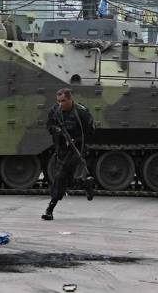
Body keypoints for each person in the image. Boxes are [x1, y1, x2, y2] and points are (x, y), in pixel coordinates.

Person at [42, 88, 95, 221]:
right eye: (58, 101)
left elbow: (90, 132)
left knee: (62, 176)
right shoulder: (55, 111)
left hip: (77, 148)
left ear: (70, 99)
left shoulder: (81, 112)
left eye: (63, 101)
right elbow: (49, 126)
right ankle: (84, 183)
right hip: (62, 149)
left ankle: (50, 209)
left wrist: (74, 140)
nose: (60, 104)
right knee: (64, 177)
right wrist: (58, 130)